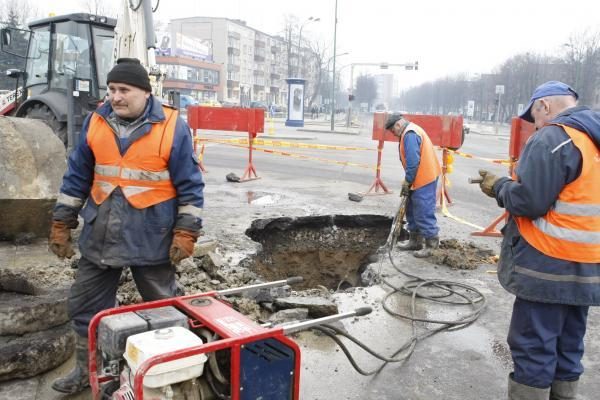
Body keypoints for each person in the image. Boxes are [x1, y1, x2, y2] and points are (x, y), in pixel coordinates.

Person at [49, 58, 204, 394]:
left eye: (123, 90)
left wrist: (186, 231)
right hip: (101, 234)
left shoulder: (173, 127)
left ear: (145, 93)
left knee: (165, 310)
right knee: (85, 308)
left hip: (153, 237)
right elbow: (76, 178)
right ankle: (89, 371)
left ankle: (174, 372)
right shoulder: (96, 121)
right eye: (111, 89)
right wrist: (62, 222)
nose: (115, 97)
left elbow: (190, 187)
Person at [477, 81, 600, 400]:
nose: (534, 123)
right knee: (569, 342)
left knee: (534, 345)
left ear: (544, 106)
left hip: (549, 262)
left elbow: (529, 202)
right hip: (588, 264)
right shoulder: (593, 138)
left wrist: (500, 187)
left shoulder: (553, 138)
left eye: (533, 115)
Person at [385, 113, 441, 257]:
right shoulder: (410, 131)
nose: (394, 134)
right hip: (418, 178)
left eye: (393, 131)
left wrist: (408, 181)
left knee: (423, 210)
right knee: (411, 209)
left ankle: (431, 245)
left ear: (398, 125)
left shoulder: (410, 134)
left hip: (424, 178)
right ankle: (415, 240)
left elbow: (412, 161)